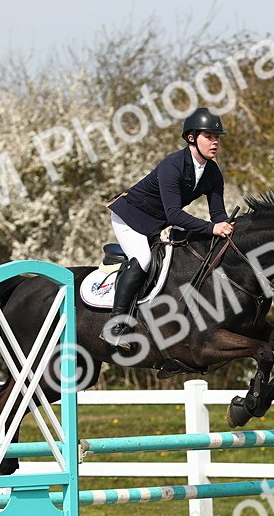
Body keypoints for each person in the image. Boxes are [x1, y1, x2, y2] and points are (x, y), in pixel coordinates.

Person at [100, 107, 236, 350]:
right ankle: (115, 326)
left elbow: (218, 215)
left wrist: (229, 228)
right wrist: (212, 228)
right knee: (142, 259)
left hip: (155, 223)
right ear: (192, 138)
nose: (215, 142)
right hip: (130, 217)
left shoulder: (213, 172)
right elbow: (174, 214)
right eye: (209, 136)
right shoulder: (172, 165)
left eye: (217, 137)